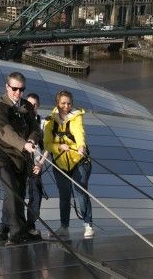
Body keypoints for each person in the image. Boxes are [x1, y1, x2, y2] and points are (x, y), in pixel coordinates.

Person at [0, 72, 40, 246]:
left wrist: (32, 140)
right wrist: (23, 144)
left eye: (22, 89)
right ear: (7, 87)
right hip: (1, 156)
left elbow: (35, 128)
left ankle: (6, 228)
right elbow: (5, 132)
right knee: (11, 191)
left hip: (20, 157)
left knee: (19, 194)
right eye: (14, 89)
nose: (18, 93)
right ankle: (15, 233)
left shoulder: (26, 106)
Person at [44, 90, 94, 239]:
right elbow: (47, 144)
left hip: (78, 160)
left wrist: (81, 147)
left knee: (80, 191)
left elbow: (79, 133)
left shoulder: (76, 117)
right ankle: (64, 227)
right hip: (60, 163)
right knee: (64, 194)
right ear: (57, 104)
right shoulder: (49, 121)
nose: (66, 106)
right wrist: (59, 147)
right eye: (63, 103)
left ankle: (88, 224)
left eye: (69, 103)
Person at [25, 93, 48, 236]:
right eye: (29, 104)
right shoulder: (20, 120)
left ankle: (30, 225)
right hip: (21, 164)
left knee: (35, 196)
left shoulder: (42, 123)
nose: (32, 107)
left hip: (35, 165)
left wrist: (41, 163)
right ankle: (11, 226)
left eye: (35, 104)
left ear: (38, 106)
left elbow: (47, 147)